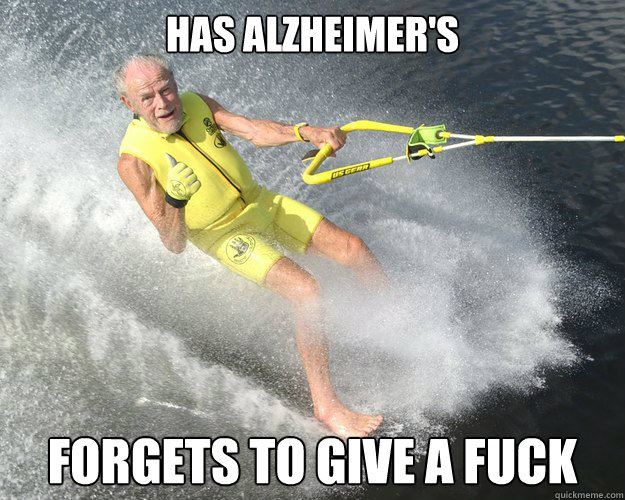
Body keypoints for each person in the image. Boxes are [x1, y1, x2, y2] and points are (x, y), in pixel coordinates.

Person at [115, 54, 387, 437]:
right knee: (307, 292)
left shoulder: (196, 103)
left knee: (354, 248)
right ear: (128, 102)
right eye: (147, 97)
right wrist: (174, 200)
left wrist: (306, 132)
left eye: (166, 89)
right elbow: (173, 243)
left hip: (262, 204)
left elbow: (254, 130)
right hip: (226, 235)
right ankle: (327, 407)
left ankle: (396, 324)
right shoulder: (133, 161)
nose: (163, 103)